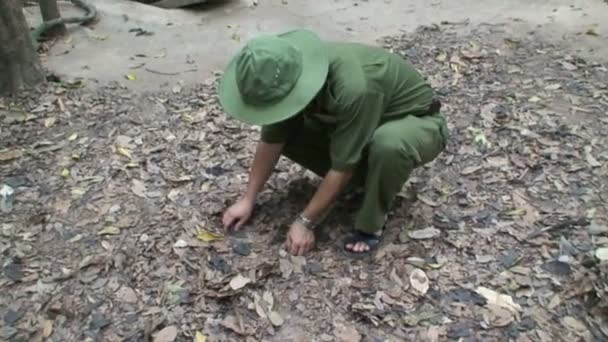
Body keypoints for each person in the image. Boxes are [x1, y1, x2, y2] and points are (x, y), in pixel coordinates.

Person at [217, 28, 449, 258]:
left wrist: (305, 222)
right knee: (288, 130)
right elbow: (272, 139)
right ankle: (364, 180)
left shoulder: (354, 87)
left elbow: (342, 166)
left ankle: (371, 223)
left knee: (388, 144)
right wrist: (248, 199)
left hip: (416, 123)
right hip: (361, 124)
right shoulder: (289, 71)